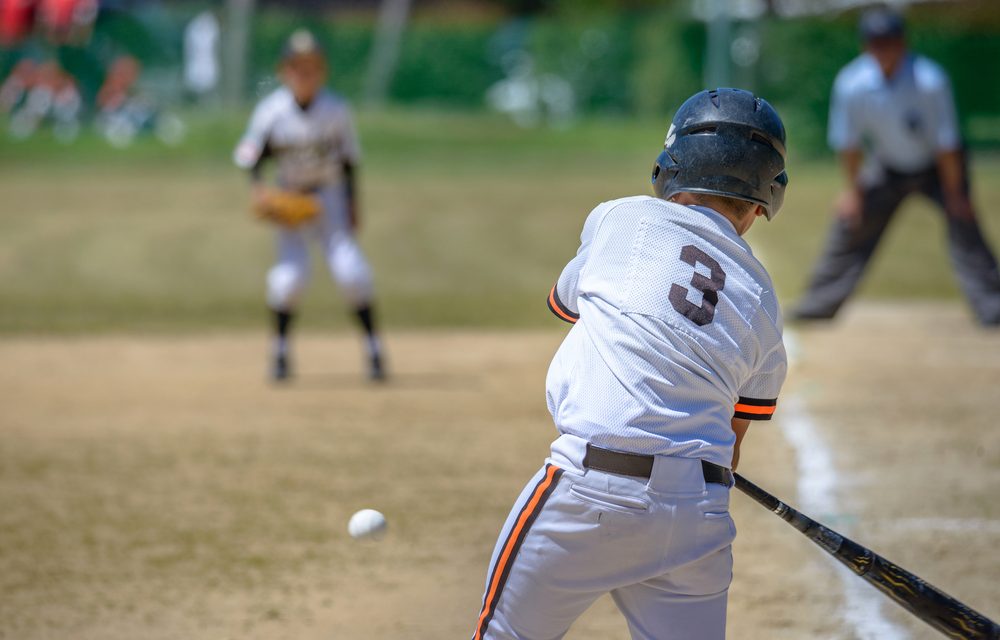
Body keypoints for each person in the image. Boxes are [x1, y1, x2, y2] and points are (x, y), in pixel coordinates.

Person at [471, 88, 789, 640]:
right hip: (700, 515)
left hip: (589, 490)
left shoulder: (621, 219)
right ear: (764, 198)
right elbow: (733, 446)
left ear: (670, 167)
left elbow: (568, 306)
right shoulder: (762, 295)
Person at [791, 7, 1000, 326]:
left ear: (903, 43)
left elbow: (947, 145)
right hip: (887, 165)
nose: (883, 49)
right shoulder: (852, 83)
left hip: (937, 167)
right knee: (851, 224)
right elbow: (849, 144)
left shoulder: (929, 80)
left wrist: (956, 193)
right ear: (865, 45)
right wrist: (853, 192)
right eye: (875, 42)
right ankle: (818, 305)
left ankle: (993, 306)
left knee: (965, 228)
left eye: (889, 41)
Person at [234, 30, 386, 381]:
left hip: (329, 196)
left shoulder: (336, 110)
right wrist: (259, 190)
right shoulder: (271, 111)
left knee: (352, 273)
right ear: (283, 71)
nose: (304, 73)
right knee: (288, 280)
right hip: (291, 196)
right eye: (296, 66)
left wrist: (352, 206)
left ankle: (374, 349)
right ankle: (280, 353)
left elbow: (350, 162)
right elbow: (250, 156)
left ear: (322, 71)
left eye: (311, 66)